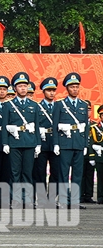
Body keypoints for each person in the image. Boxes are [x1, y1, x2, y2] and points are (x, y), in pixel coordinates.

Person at [1, 71, 41, 207]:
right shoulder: (8, 105)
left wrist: (38, 144)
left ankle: (28, 199)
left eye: (25, 86)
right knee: (14, 173)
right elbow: (5, 125)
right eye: (20, 86)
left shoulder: (34, 105)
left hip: (30, 142)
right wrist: (5, 143)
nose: (23, 88)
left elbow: (36, 126)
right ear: (15, 88)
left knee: (27, 173)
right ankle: (16, 199)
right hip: (14, 143)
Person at [53, 72, 89, 209]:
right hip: (65, 144)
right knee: (63, 173)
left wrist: (85, 144)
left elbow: (85, 126)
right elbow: (55, 125)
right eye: (72, 87)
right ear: (67, 89)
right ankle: (63, 200)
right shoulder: (60, 104)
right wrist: (56, 143)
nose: (75, 89)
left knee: (77, 173)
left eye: (76, 86)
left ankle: (74, 201)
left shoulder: (83, 105)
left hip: (78, 143)